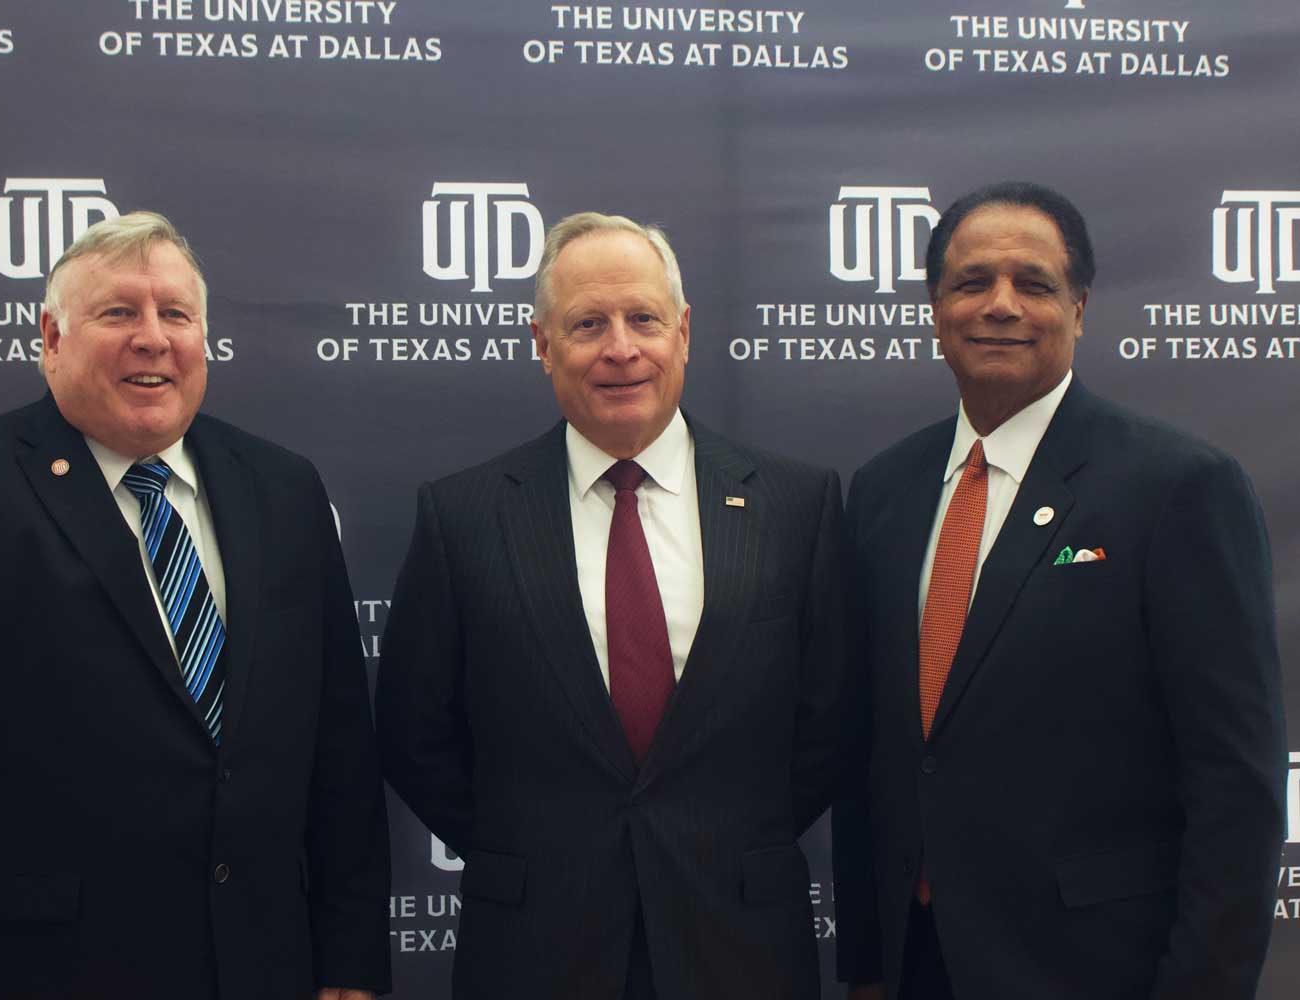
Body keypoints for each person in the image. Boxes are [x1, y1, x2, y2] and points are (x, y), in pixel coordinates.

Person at [0, 211, 390, 1000]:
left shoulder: (283, 489)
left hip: (264, 966)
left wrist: (350, 963)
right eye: (118, 312)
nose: (152, 338)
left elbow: (338, 749)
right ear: (51, 338)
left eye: (175, 315)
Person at [375, 211, 846, 999]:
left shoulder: (795, 506)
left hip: (741, 942)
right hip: (534, 947)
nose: (620, 348)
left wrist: (713, 838)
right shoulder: (462, 516)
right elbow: (415, 733)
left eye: (643, 319)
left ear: (684, 332)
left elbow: (829, 724)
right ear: (543, 346)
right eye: (588, 323)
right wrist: (536, 849)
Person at [832, 181, 1285, 1000]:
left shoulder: (1180, 487)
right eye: (972, 282)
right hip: (916, 962)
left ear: (1079, 309)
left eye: (1033, 284)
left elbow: (1235, 785)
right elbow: (877, 754)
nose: (1000, 305)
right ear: (936, 309)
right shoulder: (883, 490)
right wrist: (866, 964)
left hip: (1097, 967)